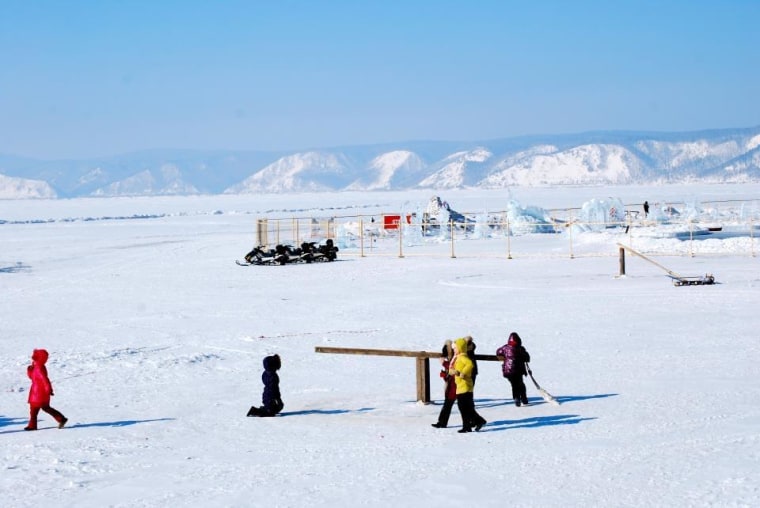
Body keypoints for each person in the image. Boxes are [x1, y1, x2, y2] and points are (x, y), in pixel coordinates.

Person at [450, 338, 487, 433]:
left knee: (464, 407)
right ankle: (473, 423)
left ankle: (472, 424)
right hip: (461, 386)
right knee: (465, 407)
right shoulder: (458, 358)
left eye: (455, 348)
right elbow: (452, 369)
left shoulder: (463, 357)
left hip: (465, 385)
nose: (454, 350)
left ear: (460, 348)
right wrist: (453, 371)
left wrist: (462, 373)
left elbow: (470, 364)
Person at [24, 348, 67, 430]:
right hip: (36, 391)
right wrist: (29, 370)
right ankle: (61, 419)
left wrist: (48, 389)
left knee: (36, 409)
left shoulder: (39, 367)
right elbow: (32, 378)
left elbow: (45, 379)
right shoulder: (36, 366)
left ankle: (33, 426)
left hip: (39, 392)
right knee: (43, 408)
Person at [496, 332, 531, 407]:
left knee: (514, 385)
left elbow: (498, 352)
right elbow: (527, 358)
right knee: (520, 384)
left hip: (508, 371)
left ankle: (517, 398)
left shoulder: (505, 348)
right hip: (518, 370)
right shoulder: (520, 348)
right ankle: (523, 398)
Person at [431, 340, 456, 429]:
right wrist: (445, 375)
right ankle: (442, 422)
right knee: (449, 405)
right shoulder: (455, 357)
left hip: (455, 386)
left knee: (462, 405)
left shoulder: (458, 358)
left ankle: (476, 420)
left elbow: (453, 368)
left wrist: (444, 364)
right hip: (451, 385)